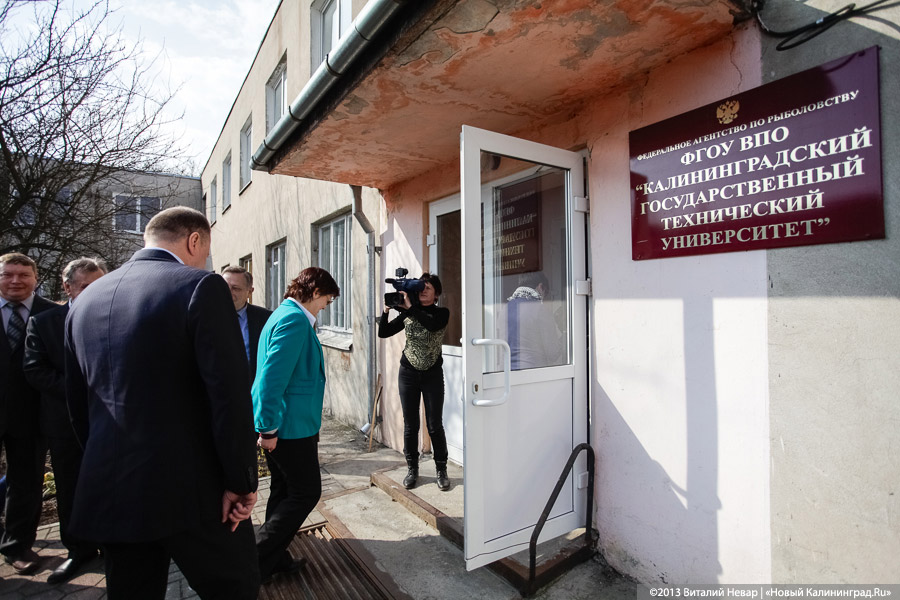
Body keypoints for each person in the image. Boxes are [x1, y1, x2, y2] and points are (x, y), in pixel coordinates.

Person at [64, 207, 260, 600]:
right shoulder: (200, 287)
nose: (203, 260)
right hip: (192, 491)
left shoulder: (84, 301)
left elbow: (79, 404)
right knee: (235, 589)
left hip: (113, 488)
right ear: (194, 240)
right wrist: (240, 482)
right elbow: (228, 395)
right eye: (204, 251)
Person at [253, 266, 339, 584]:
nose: (325, 308)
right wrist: (268, 429)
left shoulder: (285, 314)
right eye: (326, 301)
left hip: (290, 424)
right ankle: (256, 561)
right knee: (306, 492)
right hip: (289, 427)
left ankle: (274, 558)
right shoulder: (293, 319)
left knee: (283, 489)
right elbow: (270, 379)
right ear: (315, 293)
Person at [23, 257, 106, 584]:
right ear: (67, 286)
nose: (93, 292)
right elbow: (35, 370)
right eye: (85, 286)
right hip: (66, 423)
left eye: (98, 285)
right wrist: (79, 391)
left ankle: (114, 542)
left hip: (111, 422)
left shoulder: (116, 315)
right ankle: (79, 550)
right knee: (71, 488)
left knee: (112, 483)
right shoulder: (44, 323)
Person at [0, 253, 56, 575]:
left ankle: (18, 546)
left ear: (36, 278)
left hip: (33, 415)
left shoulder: (53, 314)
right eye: (8, 274)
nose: (16, 280)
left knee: (26, 484)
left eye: (23, 275)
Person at [377, 272, 451, 491]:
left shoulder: (441, 313)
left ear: (436, 293)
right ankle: (412, 469)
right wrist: (386, 310)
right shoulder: (409, 313)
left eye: (428, 288)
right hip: (408, 373)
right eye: (421, 288)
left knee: (434, 425)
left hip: (432, 375)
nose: (423, 291)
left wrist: (410, 309)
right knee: (411, 426)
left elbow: (430, 325)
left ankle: (441, 470)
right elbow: (384, 332)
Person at [222, 266, 271, 383]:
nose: (229, 293)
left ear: (249, 292)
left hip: (251, 391)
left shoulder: (265, 319)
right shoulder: (205, 317)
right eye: (224, 287)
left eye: (235, 288)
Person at [506, 272, 564, 370]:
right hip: (534, 374)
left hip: (506, 373)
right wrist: (566, 336)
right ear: (540, 287)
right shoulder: (540, 310)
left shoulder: (506, 308)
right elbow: (553, 353)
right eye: (545, 294)